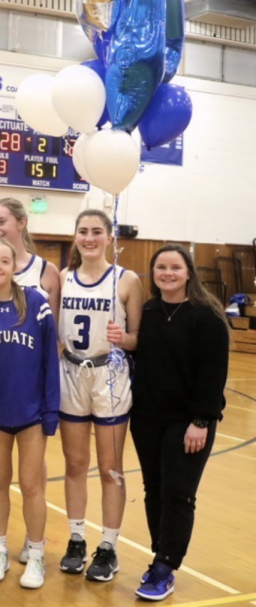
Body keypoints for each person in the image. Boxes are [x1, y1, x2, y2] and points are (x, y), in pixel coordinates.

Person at [128, 244, 229, 601]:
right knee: (153, 491)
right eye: (160, 268)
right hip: (147, 419)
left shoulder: (207, 316)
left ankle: (165, 566)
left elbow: (213, 374)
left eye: (175, 267)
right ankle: (161, 556)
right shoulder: (150, 311)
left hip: (189, 422)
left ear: (188, 273)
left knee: (178, 494)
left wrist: (201, 420)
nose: (167, 273)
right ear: (153, 273)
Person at [0, 197, 61, 563]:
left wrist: (51, 406)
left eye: (1, 220)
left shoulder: (43, 281)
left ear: (21, 223)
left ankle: (34, 548)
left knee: (32, 479)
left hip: (31, 401)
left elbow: (51, 346)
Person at [58, 209, 143, 582]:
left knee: (111, 468)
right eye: (83, 231)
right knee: (75, 465)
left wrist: (123, 338)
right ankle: (77, 538)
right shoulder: (63, 277)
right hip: (72, 375)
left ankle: (108, 546)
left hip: (109, 375)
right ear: (75, 236)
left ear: (110, 238)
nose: (89, 238)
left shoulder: (127, 280)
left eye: (97, 231)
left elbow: (139, 338)